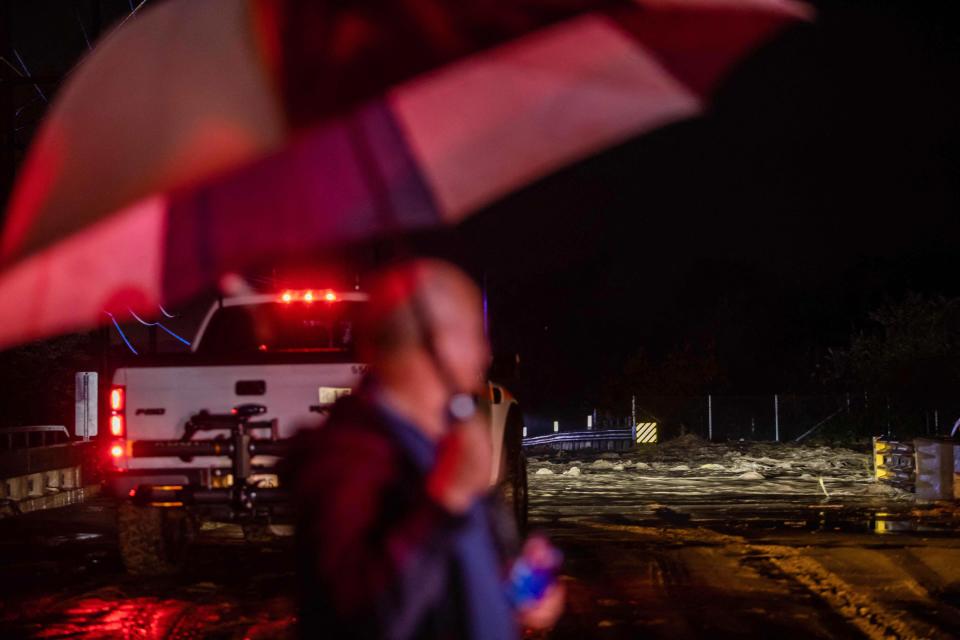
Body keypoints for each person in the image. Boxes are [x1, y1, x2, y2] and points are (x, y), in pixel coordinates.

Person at [289, 258, 564, 639]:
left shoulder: (440, 443)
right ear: (440, 342)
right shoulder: (349, 457)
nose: (485, 355)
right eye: (476, 336)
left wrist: (516, 590)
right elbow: (357, 620)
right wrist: (445, 501)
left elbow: (445, 577)